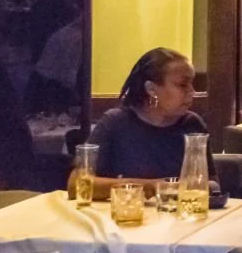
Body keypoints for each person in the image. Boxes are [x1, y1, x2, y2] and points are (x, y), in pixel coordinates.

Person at [85, 48, 212, 194]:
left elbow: (212, 184)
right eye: (183, 85)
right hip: (123, 212)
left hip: (179, 214)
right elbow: (77, 183)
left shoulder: (192, 125)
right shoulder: (115, 123)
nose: (192, 91)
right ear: (151, 89)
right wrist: (146, 186)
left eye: (192, 84)